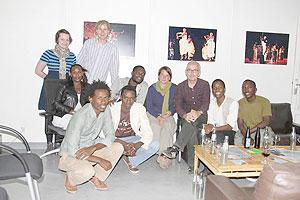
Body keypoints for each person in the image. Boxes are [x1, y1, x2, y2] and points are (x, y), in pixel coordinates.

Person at [58, 81, 124, 193]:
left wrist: (93, 148)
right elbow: (73, 151)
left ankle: (95, 177)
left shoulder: (105, 109)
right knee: (87, 171)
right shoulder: (80, 117)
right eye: (99, 98)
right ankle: (71, 179)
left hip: (89, 148)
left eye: (106, 97)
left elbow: (111, 135)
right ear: (91, 99)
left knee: (118, 147)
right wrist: (99, 160)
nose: (104, 101)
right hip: (70, 154)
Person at [163, 61, 210, 168]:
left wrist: (197, 113)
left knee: (192, 123)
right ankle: (193, 166)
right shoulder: (181, 86)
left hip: (201, 116)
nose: (192, 73)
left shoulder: (205, 84)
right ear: (185, 72)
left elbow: (206, 103)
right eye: (189, 70)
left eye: (195, 70)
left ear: (199, 73)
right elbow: (178, 105)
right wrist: (185, 115)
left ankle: (176, 147)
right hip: (185, 116)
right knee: (191, 127)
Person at [111, 85, 159, 174]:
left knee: (156, 145)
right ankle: (124, 151)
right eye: (125, 98)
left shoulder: (139, 108)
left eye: (132, 98)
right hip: (116, 139)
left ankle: (131, 160)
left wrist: (136, 145)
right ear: (121, 97)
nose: (129, 101)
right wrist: (124, 144)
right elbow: (105, 133)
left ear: (135, 99)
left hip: (132, 138)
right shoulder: (112, 108)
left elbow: (147, 131)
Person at [35, 29, 76, 110]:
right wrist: (50, 79)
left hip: (65, 85)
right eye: (62, 39)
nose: (65, 42)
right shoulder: (48, 53)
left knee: (62, 110)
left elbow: (71, 73)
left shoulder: (72, 56)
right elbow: (38, 71)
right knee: (49, 110)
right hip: (51, 85)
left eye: (67, 39)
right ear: (57, 40)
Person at [145, 66, 176, 168]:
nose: (164, 77)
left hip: (167, 114)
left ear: (170, 77)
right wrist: (158, 117)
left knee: (167, 127)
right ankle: (156, 152)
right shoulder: (152, 88)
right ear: (158, 76)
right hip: (153, 114)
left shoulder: (174, 88)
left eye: (167, 75)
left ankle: (164, 155)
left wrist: (169, 113)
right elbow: (148, 105)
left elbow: (176, 104)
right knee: (156, 126)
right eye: (162, 75)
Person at [77, 20, 119, 84]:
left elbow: (114, 70)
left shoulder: (113, 49)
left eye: (105, 29)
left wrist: (114, 88)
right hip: (84, 82)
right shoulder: (88, 43)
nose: (102, 32)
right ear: (96, 31)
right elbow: (79, 62)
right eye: (100, 29)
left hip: (99, 85)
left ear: (109, 31)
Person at [52, 64, 89, 131]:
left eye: (79, 72)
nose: (77, 75)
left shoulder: (88, 87)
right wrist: (69, 110)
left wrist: (108, 100)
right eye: (74, 72)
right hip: (64, 115)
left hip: (81, 116)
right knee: (76, 124)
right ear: (70, 74)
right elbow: (56, 103)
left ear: (82, 73)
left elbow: (95, 100)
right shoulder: (64, 86)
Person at [235, 79, 272, 145]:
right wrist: (246, 135)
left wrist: (248, 133)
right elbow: (240, 123)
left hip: (260, 130)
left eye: (249, 87)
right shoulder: (240, 103)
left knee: (263, 141)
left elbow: (266, 121)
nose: (246, 90)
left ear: (255, 90)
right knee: (238, 141)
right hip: (244, 131)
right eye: (244, 87)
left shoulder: (264, 101)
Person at [204, 79, 239, 144]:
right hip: (216, 130)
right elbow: (210, 121)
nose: (217, 90)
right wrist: (208, 127)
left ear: (224, 89)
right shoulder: (211, 103)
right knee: (202, 134)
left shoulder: (233, 103)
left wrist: (214, 129)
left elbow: (230, 126)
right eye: (215, 88)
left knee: (217, 136)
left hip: (230, 132)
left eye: (220, 88)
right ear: (212, 91)